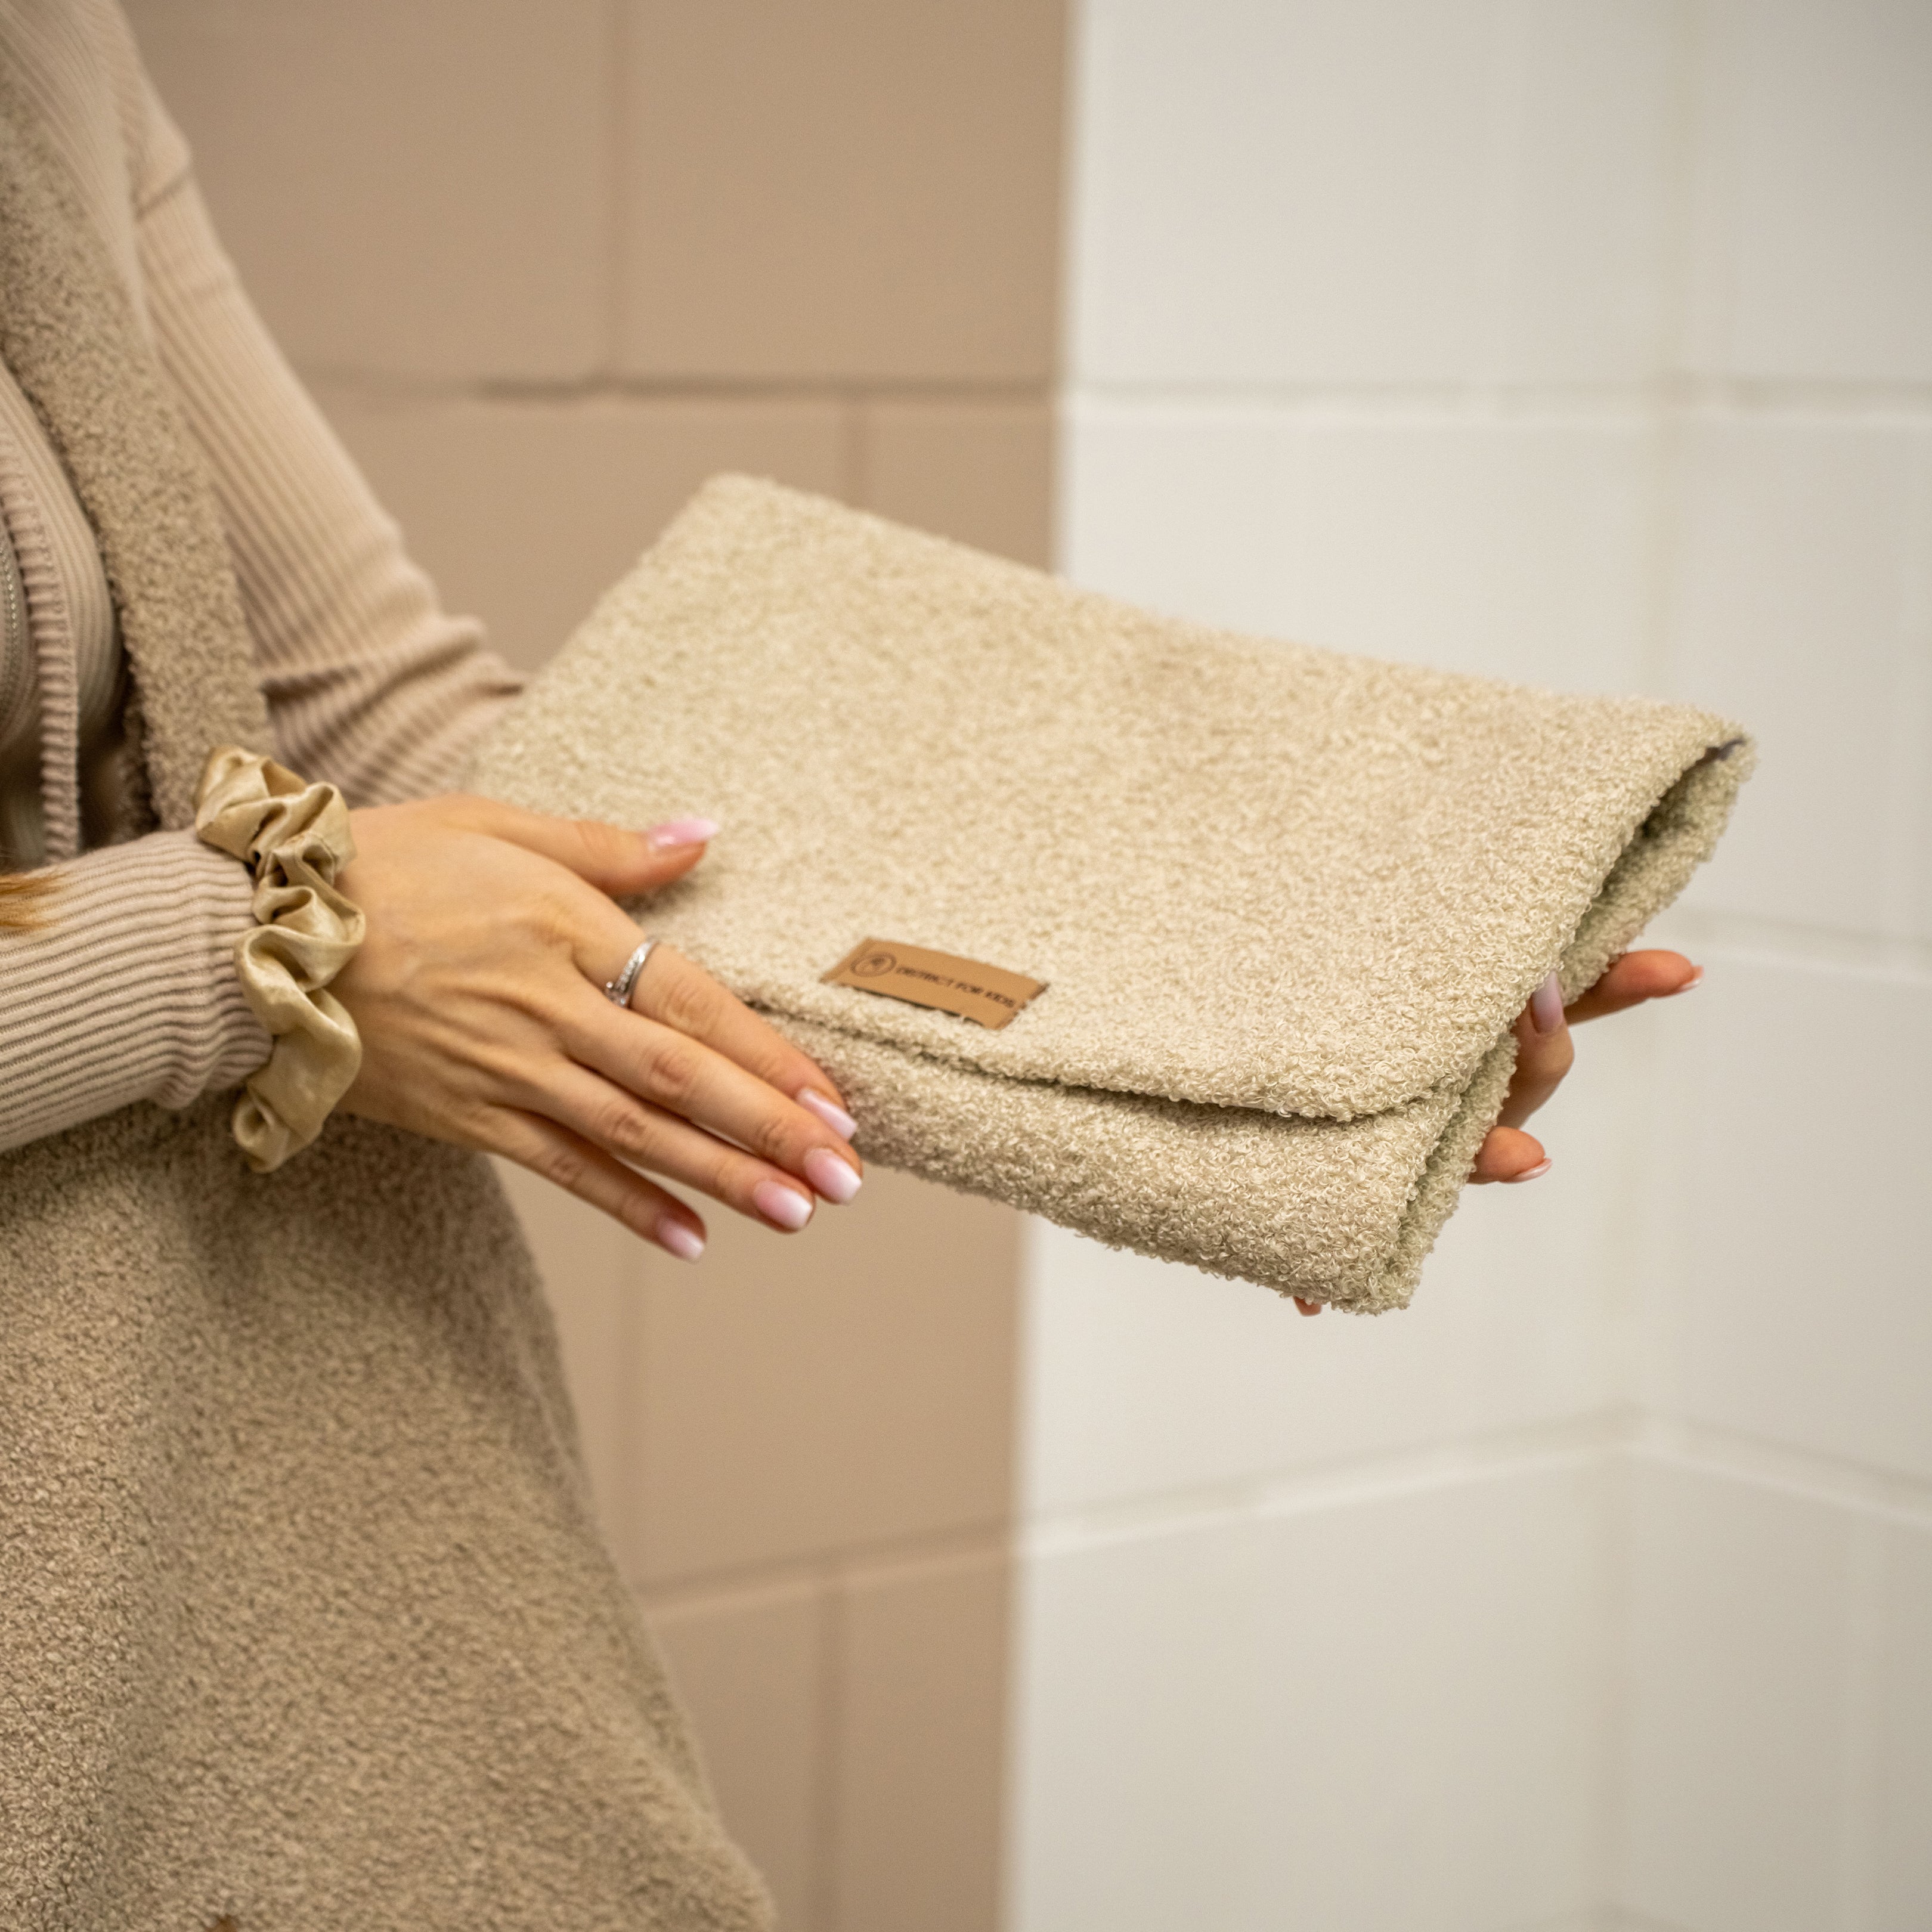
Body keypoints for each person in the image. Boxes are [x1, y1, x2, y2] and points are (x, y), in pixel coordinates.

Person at [0, 0, 1702, 1922]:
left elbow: (374, 717)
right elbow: (329, 897)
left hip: (209, 1496)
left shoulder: (47, 50)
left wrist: (1276, 1041)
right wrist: (251, 947)